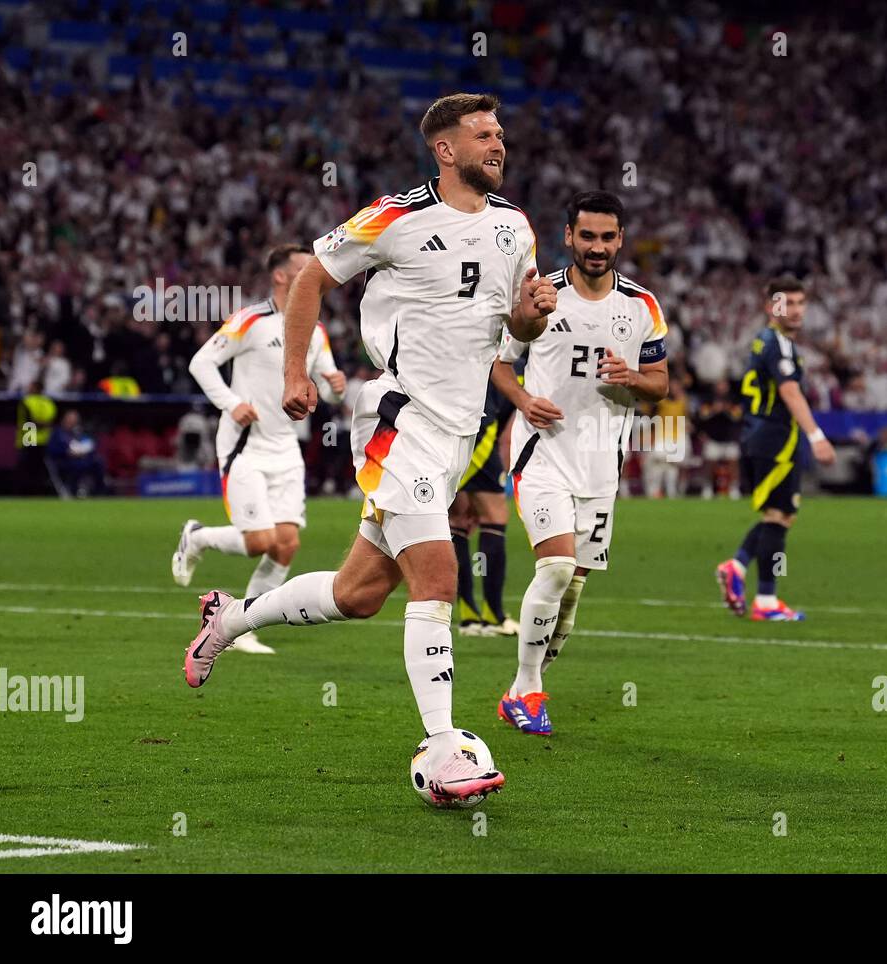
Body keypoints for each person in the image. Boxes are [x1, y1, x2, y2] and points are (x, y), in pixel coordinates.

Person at [181, 92, 556, 804]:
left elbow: (513, 331)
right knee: (439, 575)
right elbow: (313, 279)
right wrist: (295, 371)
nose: (498, 144)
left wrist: (531, 319)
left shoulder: (515, 227)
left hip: (455, 433)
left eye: (501, 133)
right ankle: (445, 751)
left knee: (358, 595)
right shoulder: (395, 216)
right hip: (397, 418)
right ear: (445, 151)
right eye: (484, 135)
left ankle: (227, 619)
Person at [490, 190, 668, 735]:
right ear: (568, 236)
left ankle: (530, 676)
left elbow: (659, 385)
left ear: (620, 240)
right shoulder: (542, 294)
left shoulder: (642, 306)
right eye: (586, 236)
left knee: (573, 590)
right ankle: (527, 690)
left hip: (600, 467)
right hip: (541, 455)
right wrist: (523, 401)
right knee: (558, 567)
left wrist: (632, 378)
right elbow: (499, 363)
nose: (596, 247)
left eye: (607, 237)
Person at [171, 244, 345, 655]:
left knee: (286, 544)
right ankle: (196, 537)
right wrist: (232, 404)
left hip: (286, 446)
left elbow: (323, 388)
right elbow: (201, 363)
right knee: (260, 541)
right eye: (305, 268)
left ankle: (242, 626)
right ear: (282, 276)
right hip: (245, 445)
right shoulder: (250, 320)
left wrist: (334, 385)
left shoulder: (315, 330)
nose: (315, 273)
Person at [715, 276, 835, 621]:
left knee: (780, 515)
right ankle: (763, 597)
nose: (795, 310)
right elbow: (790, 392)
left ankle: (743, 572)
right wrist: (817, 436)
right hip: (775, 439)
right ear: (771, 306)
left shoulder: (763, 341)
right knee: (779, 517)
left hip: (759, 436)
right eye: (787, 303)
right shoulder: (778, 344)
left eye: (800, 303)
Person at [451, 377, 520, 637]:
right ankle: (492, 615)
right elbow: (506, 406)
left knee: (457, 520)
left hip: (453, 423)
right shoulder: (518, 356)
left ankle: (469, 616)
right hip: (480, 427)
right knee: (494, 515)